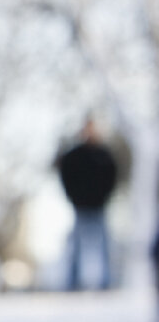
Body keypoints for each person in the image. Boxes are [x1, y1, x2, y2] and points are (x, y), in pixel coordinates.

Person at [57, 117, 119, 290]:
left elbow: (112, 176)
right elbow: (65, 174)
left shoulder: (104, 155)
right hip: (80, 206)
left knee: (105, 244)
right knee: (75, 245)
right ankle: (72, 281)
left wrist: (105, 196)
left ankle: (106, 281)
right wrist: (73, 196)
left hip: (99, 206)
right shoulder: (75, 155)